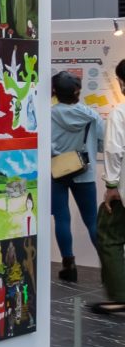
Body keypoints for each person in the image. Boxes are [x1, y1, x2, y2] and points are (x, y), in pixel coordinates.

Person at [52, 71, 103, 283]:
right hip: (85, 172)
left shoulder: (48, 114)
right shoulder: (91, 115)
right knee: (92, 221)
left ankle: (69, 266)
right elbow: (102, 143)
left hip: (56, 172)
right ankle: (110, 266)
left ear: (55, 92)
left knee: (62, 218)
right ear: (77, 91)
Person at [96, 59, 125, 313]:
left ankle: (120, 296)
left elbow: (114, 150)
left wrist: (112, 185)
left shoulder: (119, 113)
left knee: (109, 235)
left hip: (123, 189)